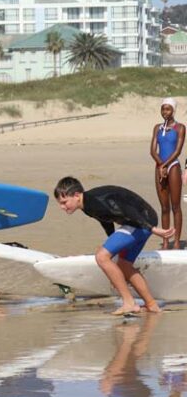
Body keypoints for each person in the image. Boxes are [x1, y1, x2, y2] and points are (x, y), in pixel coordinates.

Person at [53, 176, 175, 315]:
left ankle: (129, 303)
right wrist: (112, 242)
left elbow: (127, 210)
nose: (62, 207)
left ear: (76, 195)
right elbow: (106, 220)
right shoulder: (87, 205)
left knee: (102, 257)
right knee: (124, 264)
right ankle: (152, 305)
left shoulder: (93, 201)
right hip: (141, 221)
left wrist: (152, 228)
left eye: (64, 202)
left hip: (140, 221)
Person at [149, 97, 185, 249]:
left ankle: (176, 241)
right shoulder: (157, 128)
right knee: (164, 207)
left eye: (168, 109)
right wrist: (160, 166)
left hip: (173, 166)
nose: (165, 112)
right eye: (163, 109)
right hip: (159, 167)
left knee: (175, 206)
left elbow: (177, 151)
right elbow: (152, 150)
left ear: (173, 110)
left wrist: (164, 165)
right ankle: (165, 242)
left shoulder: (180, 128)